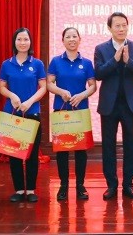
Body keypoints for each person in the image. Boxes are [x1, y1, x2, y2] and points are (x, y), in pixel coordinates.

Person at [94, 12, 133, 200]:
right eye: (117, 25)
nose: (121, 29)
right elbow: (98, 74)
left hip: (130, 104)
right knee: (108, 145)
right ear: (109, 28)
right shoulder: (101, 49)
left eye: (124, 25)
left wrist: (127, 61)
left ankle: (128, 184)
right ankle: (111, 185)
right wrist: (115, 59)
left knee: (131, 145)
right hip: (109, 104)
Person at [47, 27, 96, 201]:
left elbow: (93, 86)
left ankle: (80, 186)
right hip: (62, 111)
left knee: (81, 150)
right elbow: (49, 84)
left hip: (80, 111)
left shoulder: (87, 63)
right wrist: (61, 92)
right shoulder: (56, 61)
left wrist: (82, 95)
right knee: (62, 151)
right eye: (68, 36)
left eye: (75, 36)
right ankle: (63, 186)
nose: (72, 39)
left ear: (80, 39)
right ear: (63, 40)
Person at [0, 27, 46, 203]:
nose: (22, 42)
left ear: (30, 42)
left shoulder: (37, 64)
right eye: (19, 39)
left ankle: (31, 189)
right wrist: (12, 96)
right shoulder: (7, 64)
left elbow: (43, 87)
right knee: (14, 152)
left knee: (32, 153)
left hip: (32, 112)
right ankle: (19, 190)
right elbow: (2, 87)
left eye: (26, 39)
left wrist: (29, 102)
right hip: (12, 113)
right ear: (14, 42)